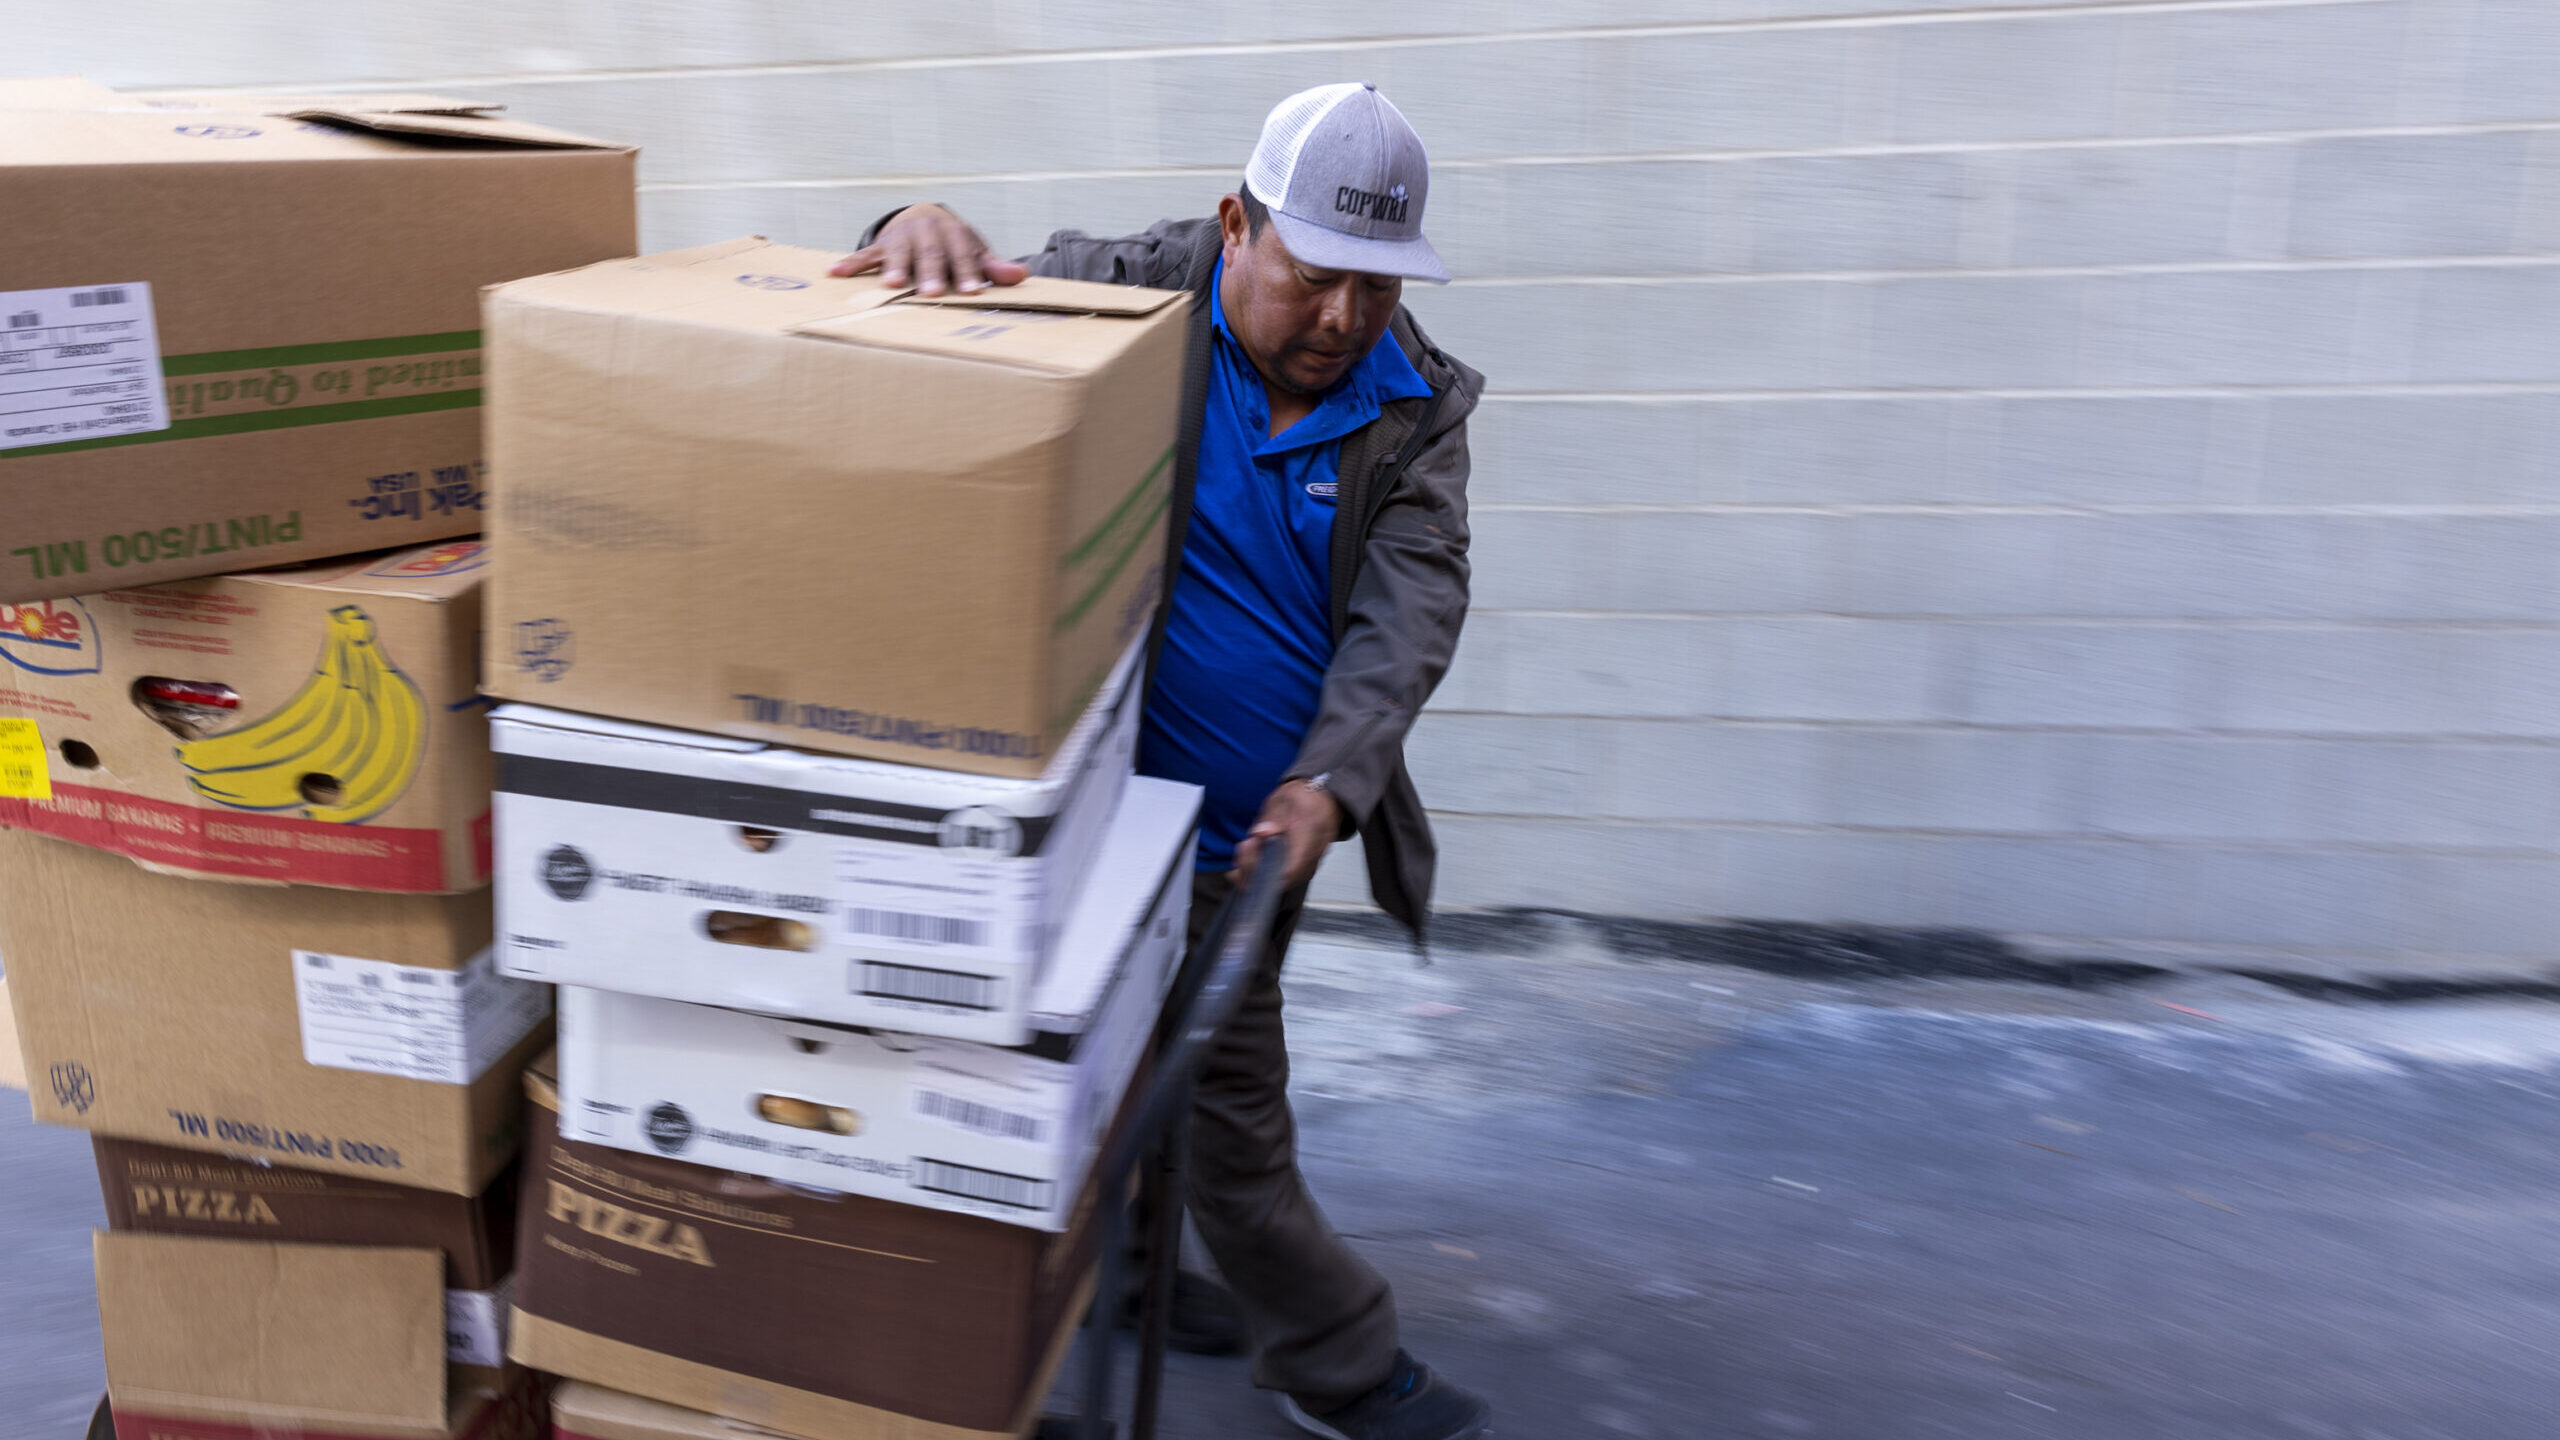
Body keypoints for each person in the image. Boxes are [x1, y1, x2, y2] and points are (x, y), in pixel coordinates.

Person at [836, 82, 1488, 1440]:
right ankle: (1343, 1362)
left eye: (1373, 290)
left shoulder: (1411, 401)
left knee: (1160, 1074)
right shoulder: (1129, 300)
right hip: (1118, 820)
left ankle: (1127, 1277)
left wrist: (1329, 785)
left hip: (1269, 835)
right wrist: (907, 219)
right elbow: (958, 290)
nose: (1341, 323)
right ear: (1237, 223)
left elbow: (1411, 610)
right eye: (1313, 282)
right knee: (1232, 1122)